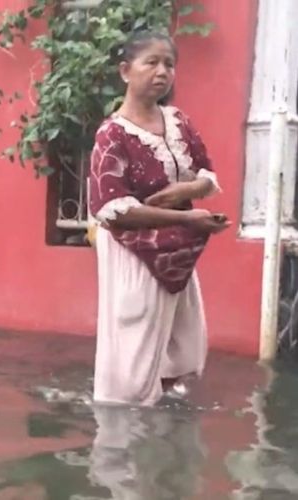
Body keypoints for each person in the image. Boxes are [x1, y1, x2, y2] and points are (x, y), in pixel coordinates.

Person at [88, 31, 229, 406]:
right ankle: (124, 444)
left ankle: (161, 437)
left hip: (177, 253)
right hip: (134, 251)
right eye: (150, 62)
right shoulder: (112, 134)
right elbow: (112, 208)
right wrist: (184, 218)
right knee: (134, 356)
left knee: (186, 348)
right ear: (125, 71)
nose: (162, 71)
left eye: (169, 64)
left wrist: (183, 194)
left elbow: (207, 176)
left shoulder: (178, 121)